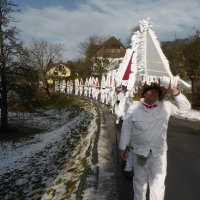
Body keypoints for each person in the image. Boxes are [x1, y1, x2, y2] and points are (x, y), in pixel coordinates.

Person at [119, 85, 191, 200]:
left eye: (157, 91)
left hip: (159, 153)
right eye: (151, 90)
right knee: (139, 182)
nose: (154, 92)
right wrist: (123, 147)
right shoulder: (134, 108)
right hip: (139, 152)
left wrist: (176, 92)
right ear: (144, 94)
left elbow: (185, 109)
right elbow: (126, 128)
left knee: (158, 183)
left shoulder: (166, 106)